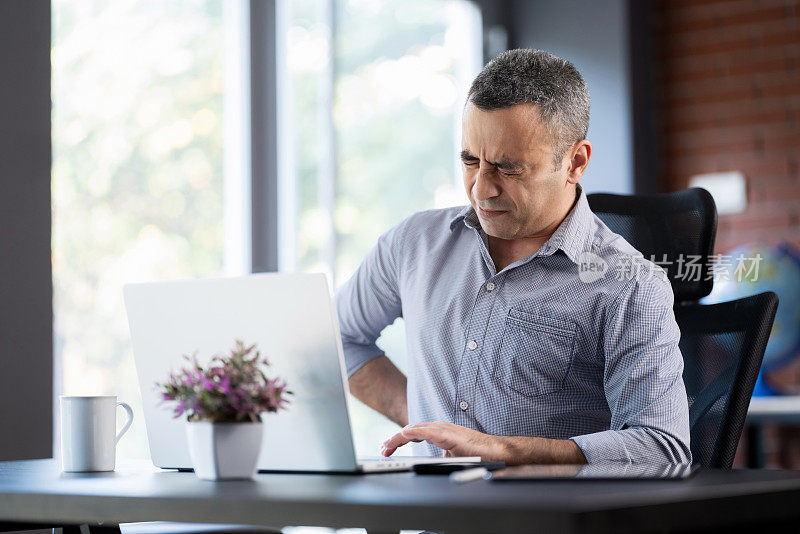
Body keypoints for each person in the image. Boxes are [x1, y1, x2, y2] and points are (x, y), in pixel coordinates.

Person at [335, 49, 691, 465]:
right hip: (432, 519)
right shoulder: (414, 243)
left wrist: (501, 450)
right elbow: (338, 340)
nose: (482, 188)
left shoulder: (629, 283)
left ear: (575, 162)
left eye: (508, 168)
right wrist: (425, 422)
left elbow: (662, 449)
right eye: (470, 160)